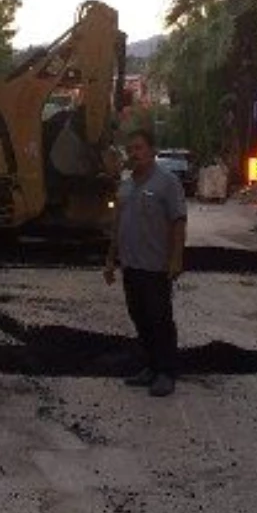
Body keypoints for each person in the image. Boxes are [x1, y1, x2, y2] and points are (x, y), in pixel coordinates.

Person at [103, 127, 187, 398]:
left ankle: (166, 372)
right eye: (131, 149)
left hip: (156, 266)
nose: (134, 153)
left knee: (160, 320)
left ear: (151, 151)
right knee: (139, 317)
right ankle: (150, 366)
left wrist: (176, 259)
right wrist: (110, 259)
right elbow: (117, 224)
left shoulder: (167, 182)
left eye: (139, 148)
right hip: (131, 265)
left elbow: (178, 221)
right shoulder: (126, 184)